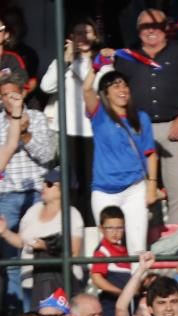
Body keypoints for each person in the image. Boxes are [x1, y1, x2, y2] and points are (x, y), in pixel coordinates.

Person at [110, 8, 178, 229]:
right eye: (144, 26)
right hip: (138, 129)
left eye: (156, 26)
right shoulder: (125, 57)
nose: (150, 30)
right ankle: (145, 249)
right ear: (137, 30)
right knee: (138, 193)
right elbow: (113, 91)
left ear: (166, 28)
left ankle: (177, 252)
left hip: (176, 128)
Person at [82, 68, 157, 255]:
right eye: (116, 85)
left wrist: (152, 187)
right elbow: (86, 89)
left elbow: (151, 154)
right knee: (108, 247)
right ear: (105, 93)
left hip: (135, 188)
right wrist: (96, 67)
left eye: (124, 85)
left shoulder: (141, 118)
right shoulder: (99, 114)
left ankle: (138, 283)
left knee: (137, 246)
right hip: (105, 190)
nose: (122, 89)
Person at [0, 71, 56, 312]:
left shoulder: (38, 118)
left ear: (23, 93)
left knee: (41, 259)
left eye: (13, 94)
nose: (8, 99)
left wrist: (22, 129)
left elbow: (45, 155)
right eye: (4, 96)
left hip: (37, 195)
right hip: (6, 197)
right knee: (12, 262)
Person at [40, 19, 99, 227]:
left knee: (90, 186)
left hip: (92, 133)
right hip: (66, 132)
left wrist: (88, 61)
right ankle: (70, 230)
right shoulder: (62, 61)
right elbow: (46, 86)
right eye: (78, 32)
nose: (82, 36)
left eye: (87, 32)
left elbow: (98, 88)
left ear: (95, 36)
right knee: (69, 187)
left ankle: (90, 231)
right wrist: (65, 60)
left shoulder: (100, 62)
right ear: (70, 37)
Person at [0, 169, 84, 307]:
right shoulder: (33, 210)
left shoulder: (72, 214)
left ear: (63, 190)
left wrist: (45, 246)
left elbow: (73, 252)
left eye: (50, 184)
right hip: (30, 282)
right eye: (44, 183)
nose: (43, 187)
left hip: (60, 284)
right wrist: (4, 232)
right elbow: (21, 241)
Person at [89, 207, 131, 316]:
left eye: (119, 228)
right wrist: (121, 293)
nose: (115, 232)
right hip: (109, 312)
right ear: (101, 229)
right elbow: (96, 278)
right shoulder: (103, 251)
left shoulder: (126, 250)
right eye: (110, 228)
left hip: (127, 311)